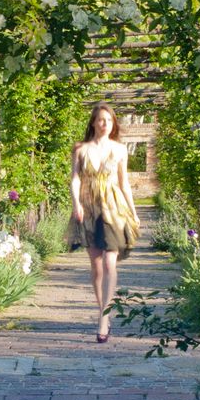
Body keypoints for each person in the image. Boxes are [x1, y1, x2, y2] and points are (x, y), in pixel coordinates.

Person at [69, 103, 140, 343]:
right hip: (89, 208)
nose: (104, 124)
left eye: (108, 120)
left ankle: (103, 317)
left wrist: (133, 210)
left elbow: (124, 183)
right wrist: (76, 203)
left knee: (110, 262)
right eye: (100, 120)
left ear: (113, 124)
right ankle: (103, 311)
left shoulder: (120, 150)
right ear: (93, 122)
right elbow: (75, 179)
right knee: (96, 265)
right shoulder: (81, 149)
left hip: (113, 209)